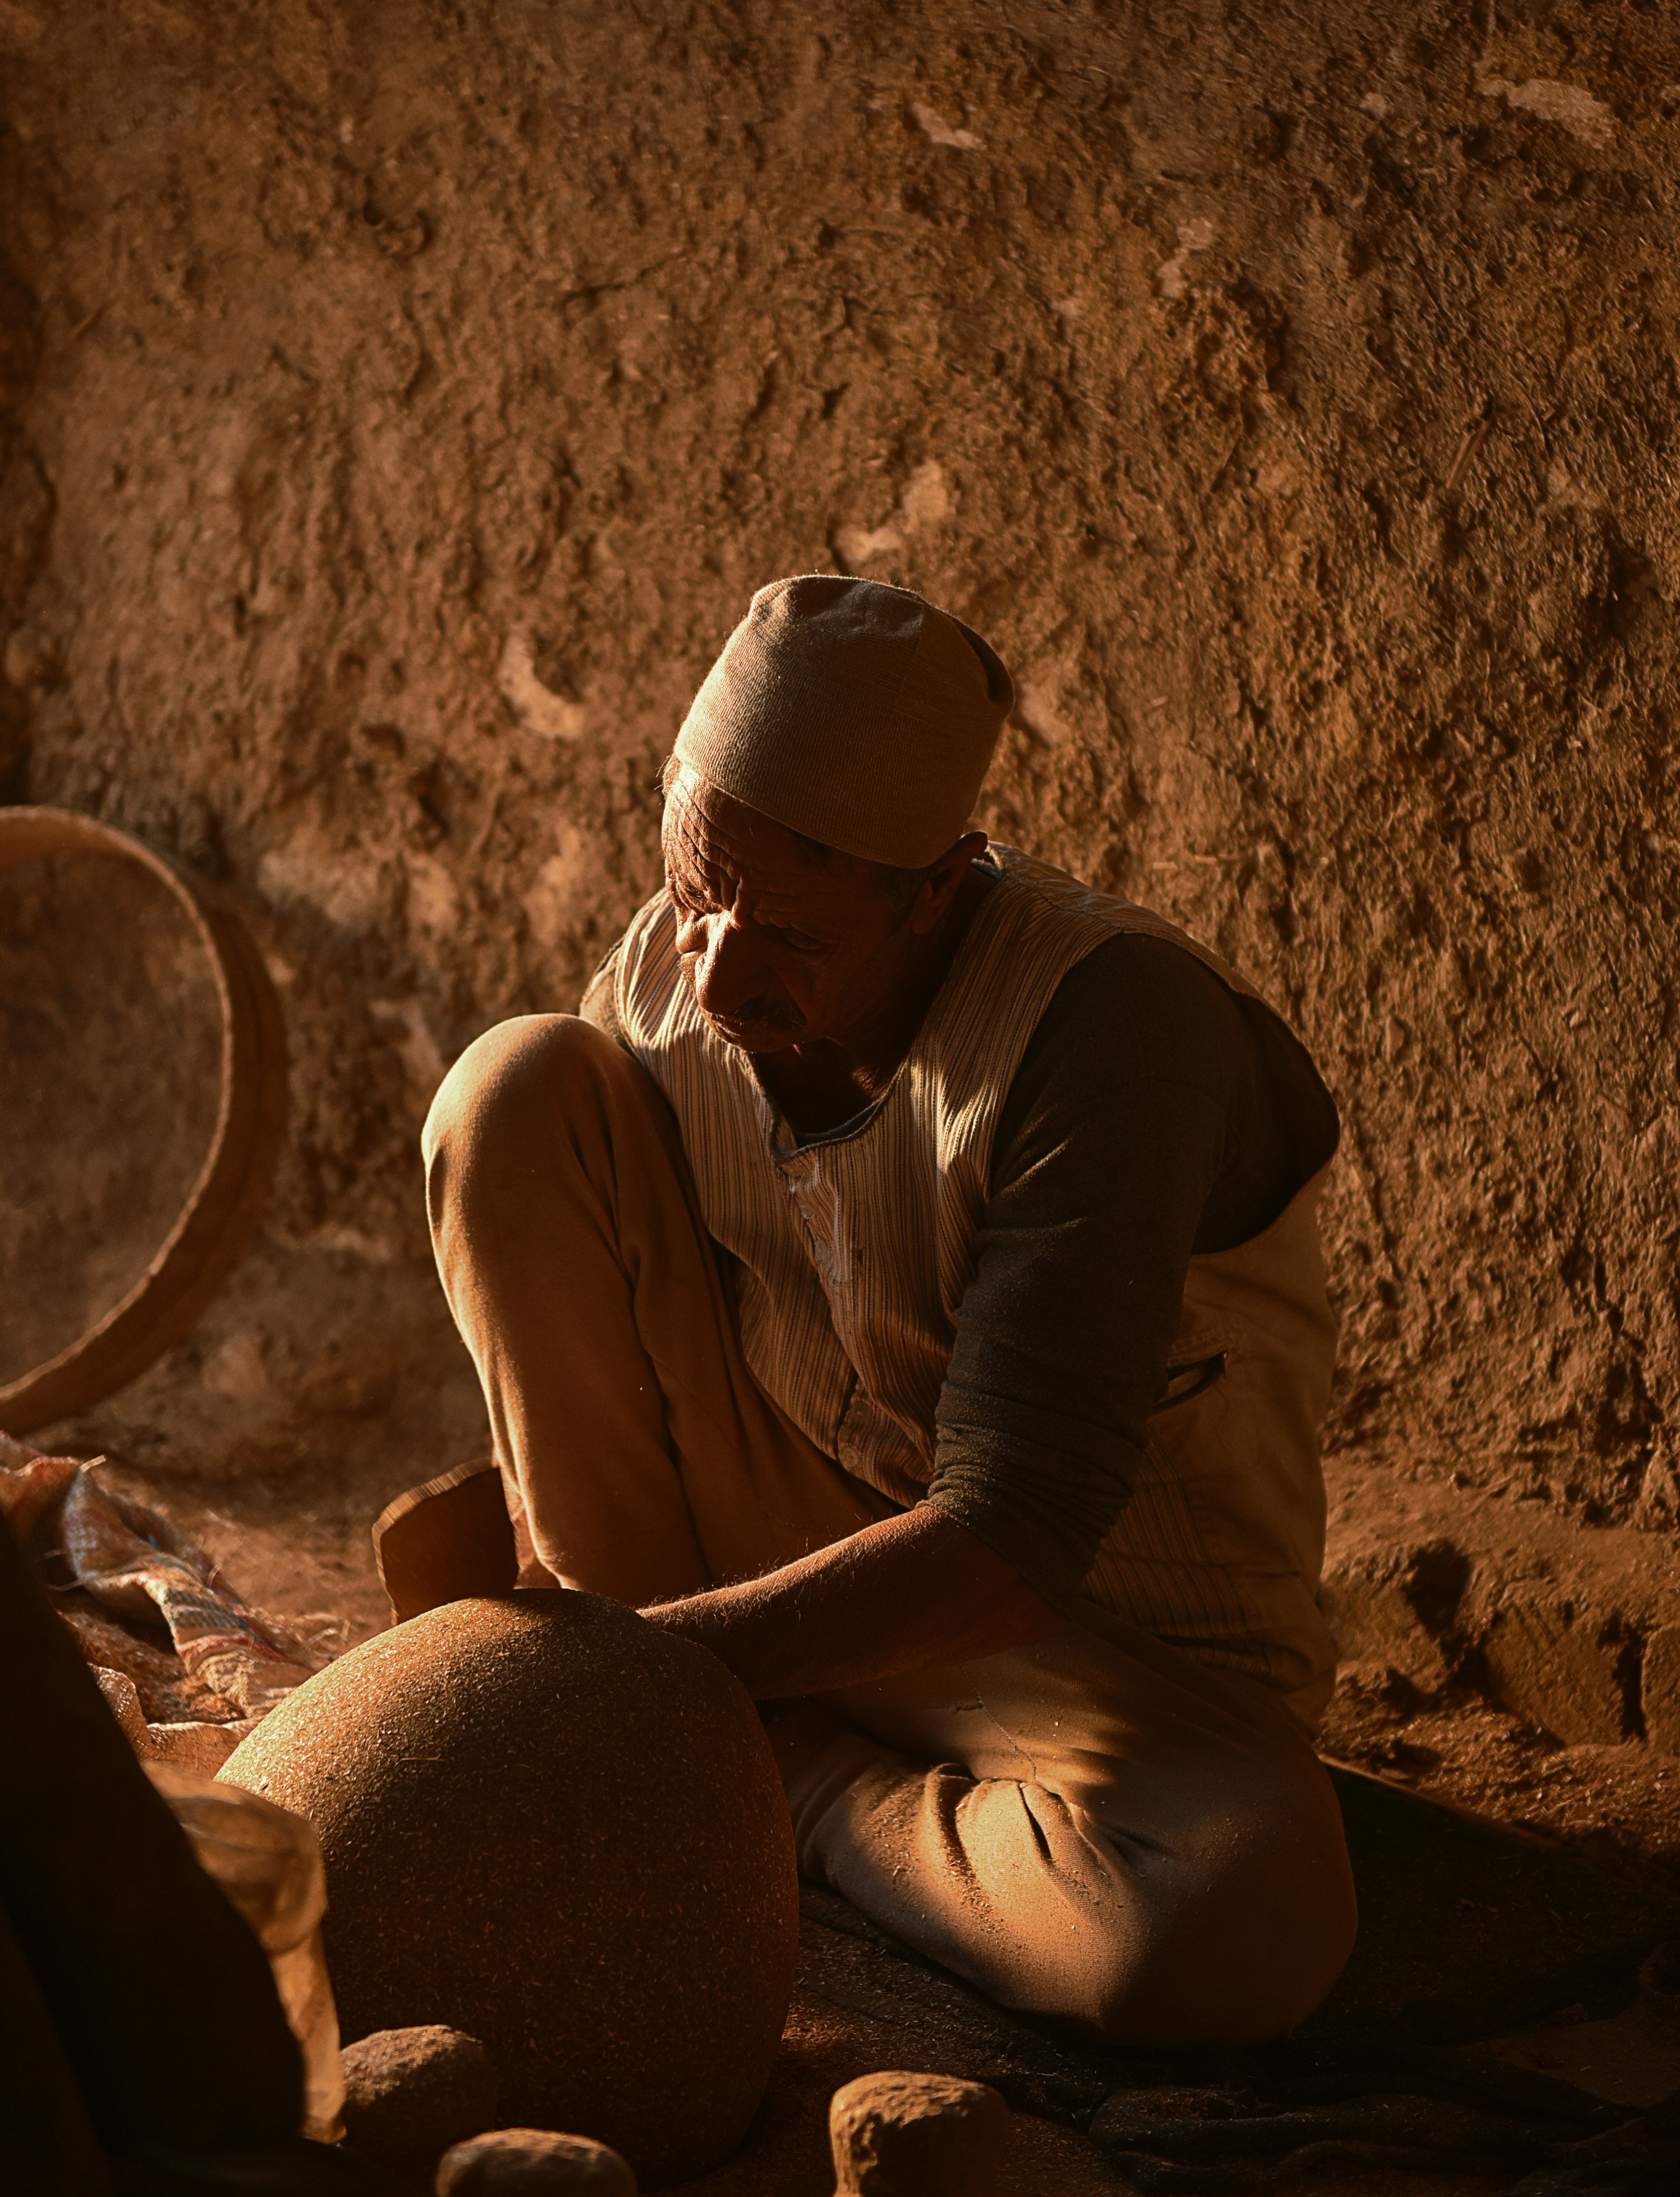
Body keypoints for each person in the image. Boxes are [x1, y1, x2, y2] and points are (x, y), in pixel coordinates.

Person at [420, 575, 1357, 2045]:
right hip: (792, 1531)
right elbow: (596, 1268)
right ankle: (662, 1694)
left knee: (1236, 1919)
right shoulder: (698, 951)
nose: (719, 970)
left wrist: (657, 1677)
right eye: (692, 888)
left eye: (792, 933)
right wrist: (637, 1624)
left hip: (1075, 1648)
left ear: (939, 886)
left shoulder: (1112, 1034)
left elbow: (1011, 1540)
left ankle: (772, 1775)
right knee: (516, 1090)